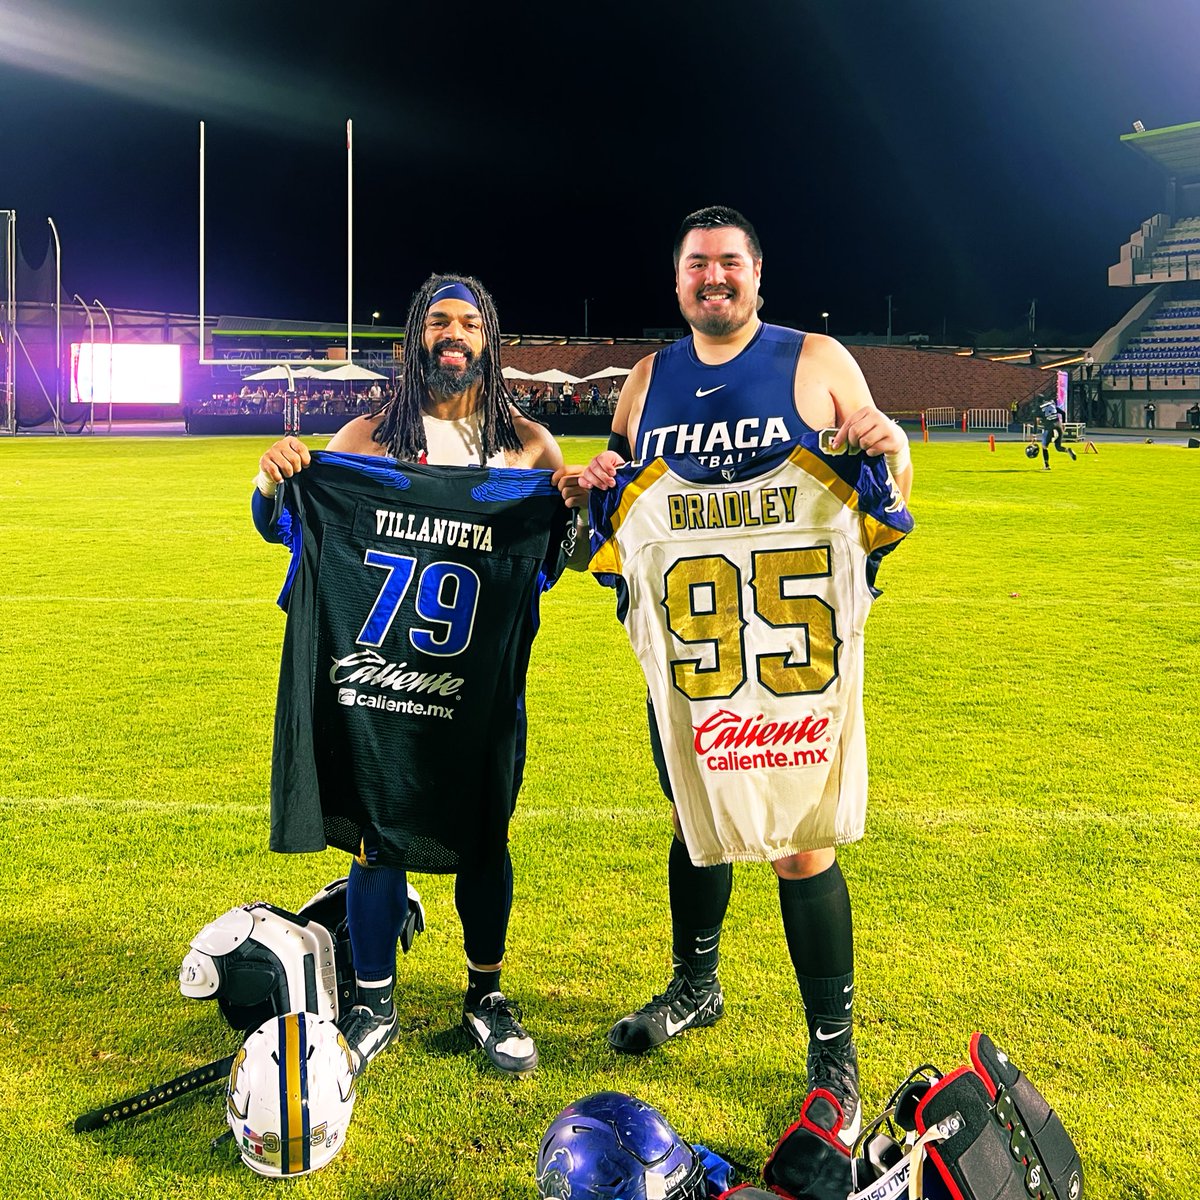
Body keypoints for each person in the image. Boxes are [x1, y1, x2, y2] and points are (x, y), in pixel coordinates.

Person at [555, 206, 914, 1143]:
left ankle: (833, 1052)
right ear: (677, 282)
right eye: (695, 266)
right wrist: (597, 484)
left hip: (791, 660)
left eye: (729, 264)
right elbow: (621, 508)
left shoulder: (818, 360)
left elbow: (888, 489)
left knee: (800, 839)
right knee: (697, 821)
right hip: (695, 654)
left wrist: (892, 451)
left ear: (759, 276)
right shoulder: (647, 380)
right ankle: (695, 987)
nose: (713, 278)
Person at [253, 273, 581, 1079]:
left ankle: (485, 998)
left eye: (468, 322)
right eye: (438, 321)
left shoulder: (528, 447)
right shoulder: (364, 440)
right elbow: (292, 530)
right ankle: (372, 1004)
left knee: (484, 836)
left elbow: (556, 562)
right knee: (375, 834)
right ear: (415, 335)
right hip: (378, 680)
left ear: (488, 337)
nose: (453, 335)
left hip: (477, 685)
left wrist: (571, 508)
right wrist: (272, 481)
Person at [1037, 394, 1076, 469]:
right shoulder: (1052, 404)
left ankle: (1047, 465)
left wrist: (1035, 433)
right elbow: (1063, 413)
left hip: (1049, 428)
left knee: (1044, 447)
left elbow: (1037, 421)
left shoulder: (1039, 408)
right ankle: (1068, 450)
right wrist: (1064, 424)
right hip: (1058, 426)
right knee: (1058, 447)